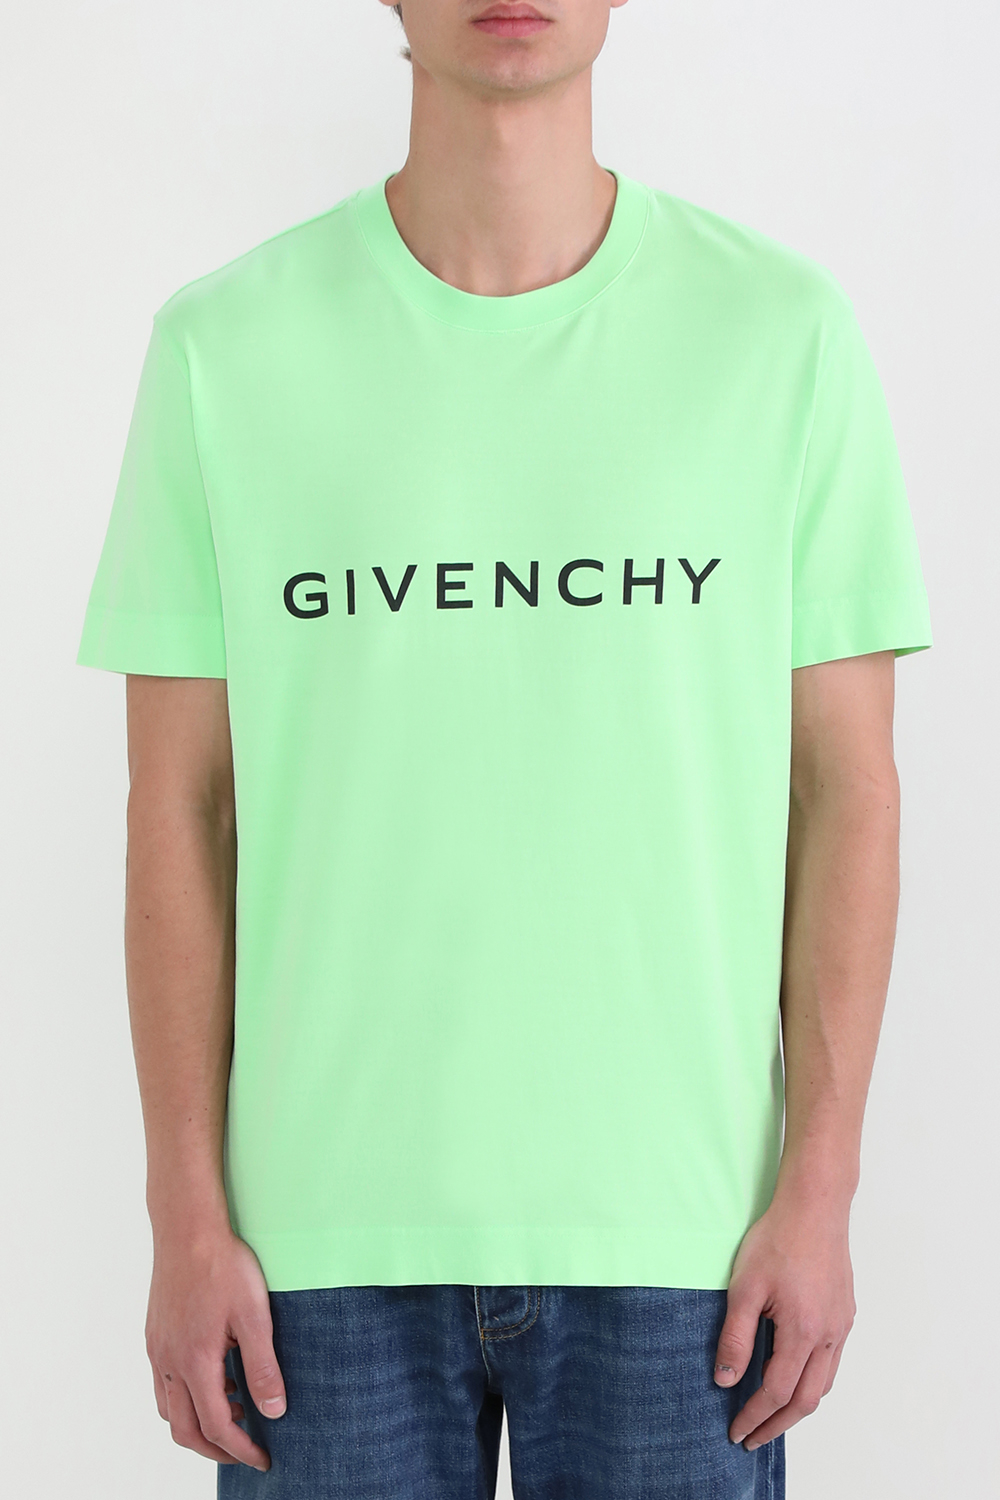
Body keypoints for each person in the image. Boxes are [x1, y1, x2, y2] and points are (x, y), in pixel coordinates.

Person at [77, 2, 933, 1496]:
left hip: (685, 1247)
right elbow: (180, 810)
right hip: (312, 1255)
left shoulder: (780, 335)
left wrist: (822, 1190)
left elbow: (847, 790)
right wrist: (184, 1218)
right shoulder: (224, 347)